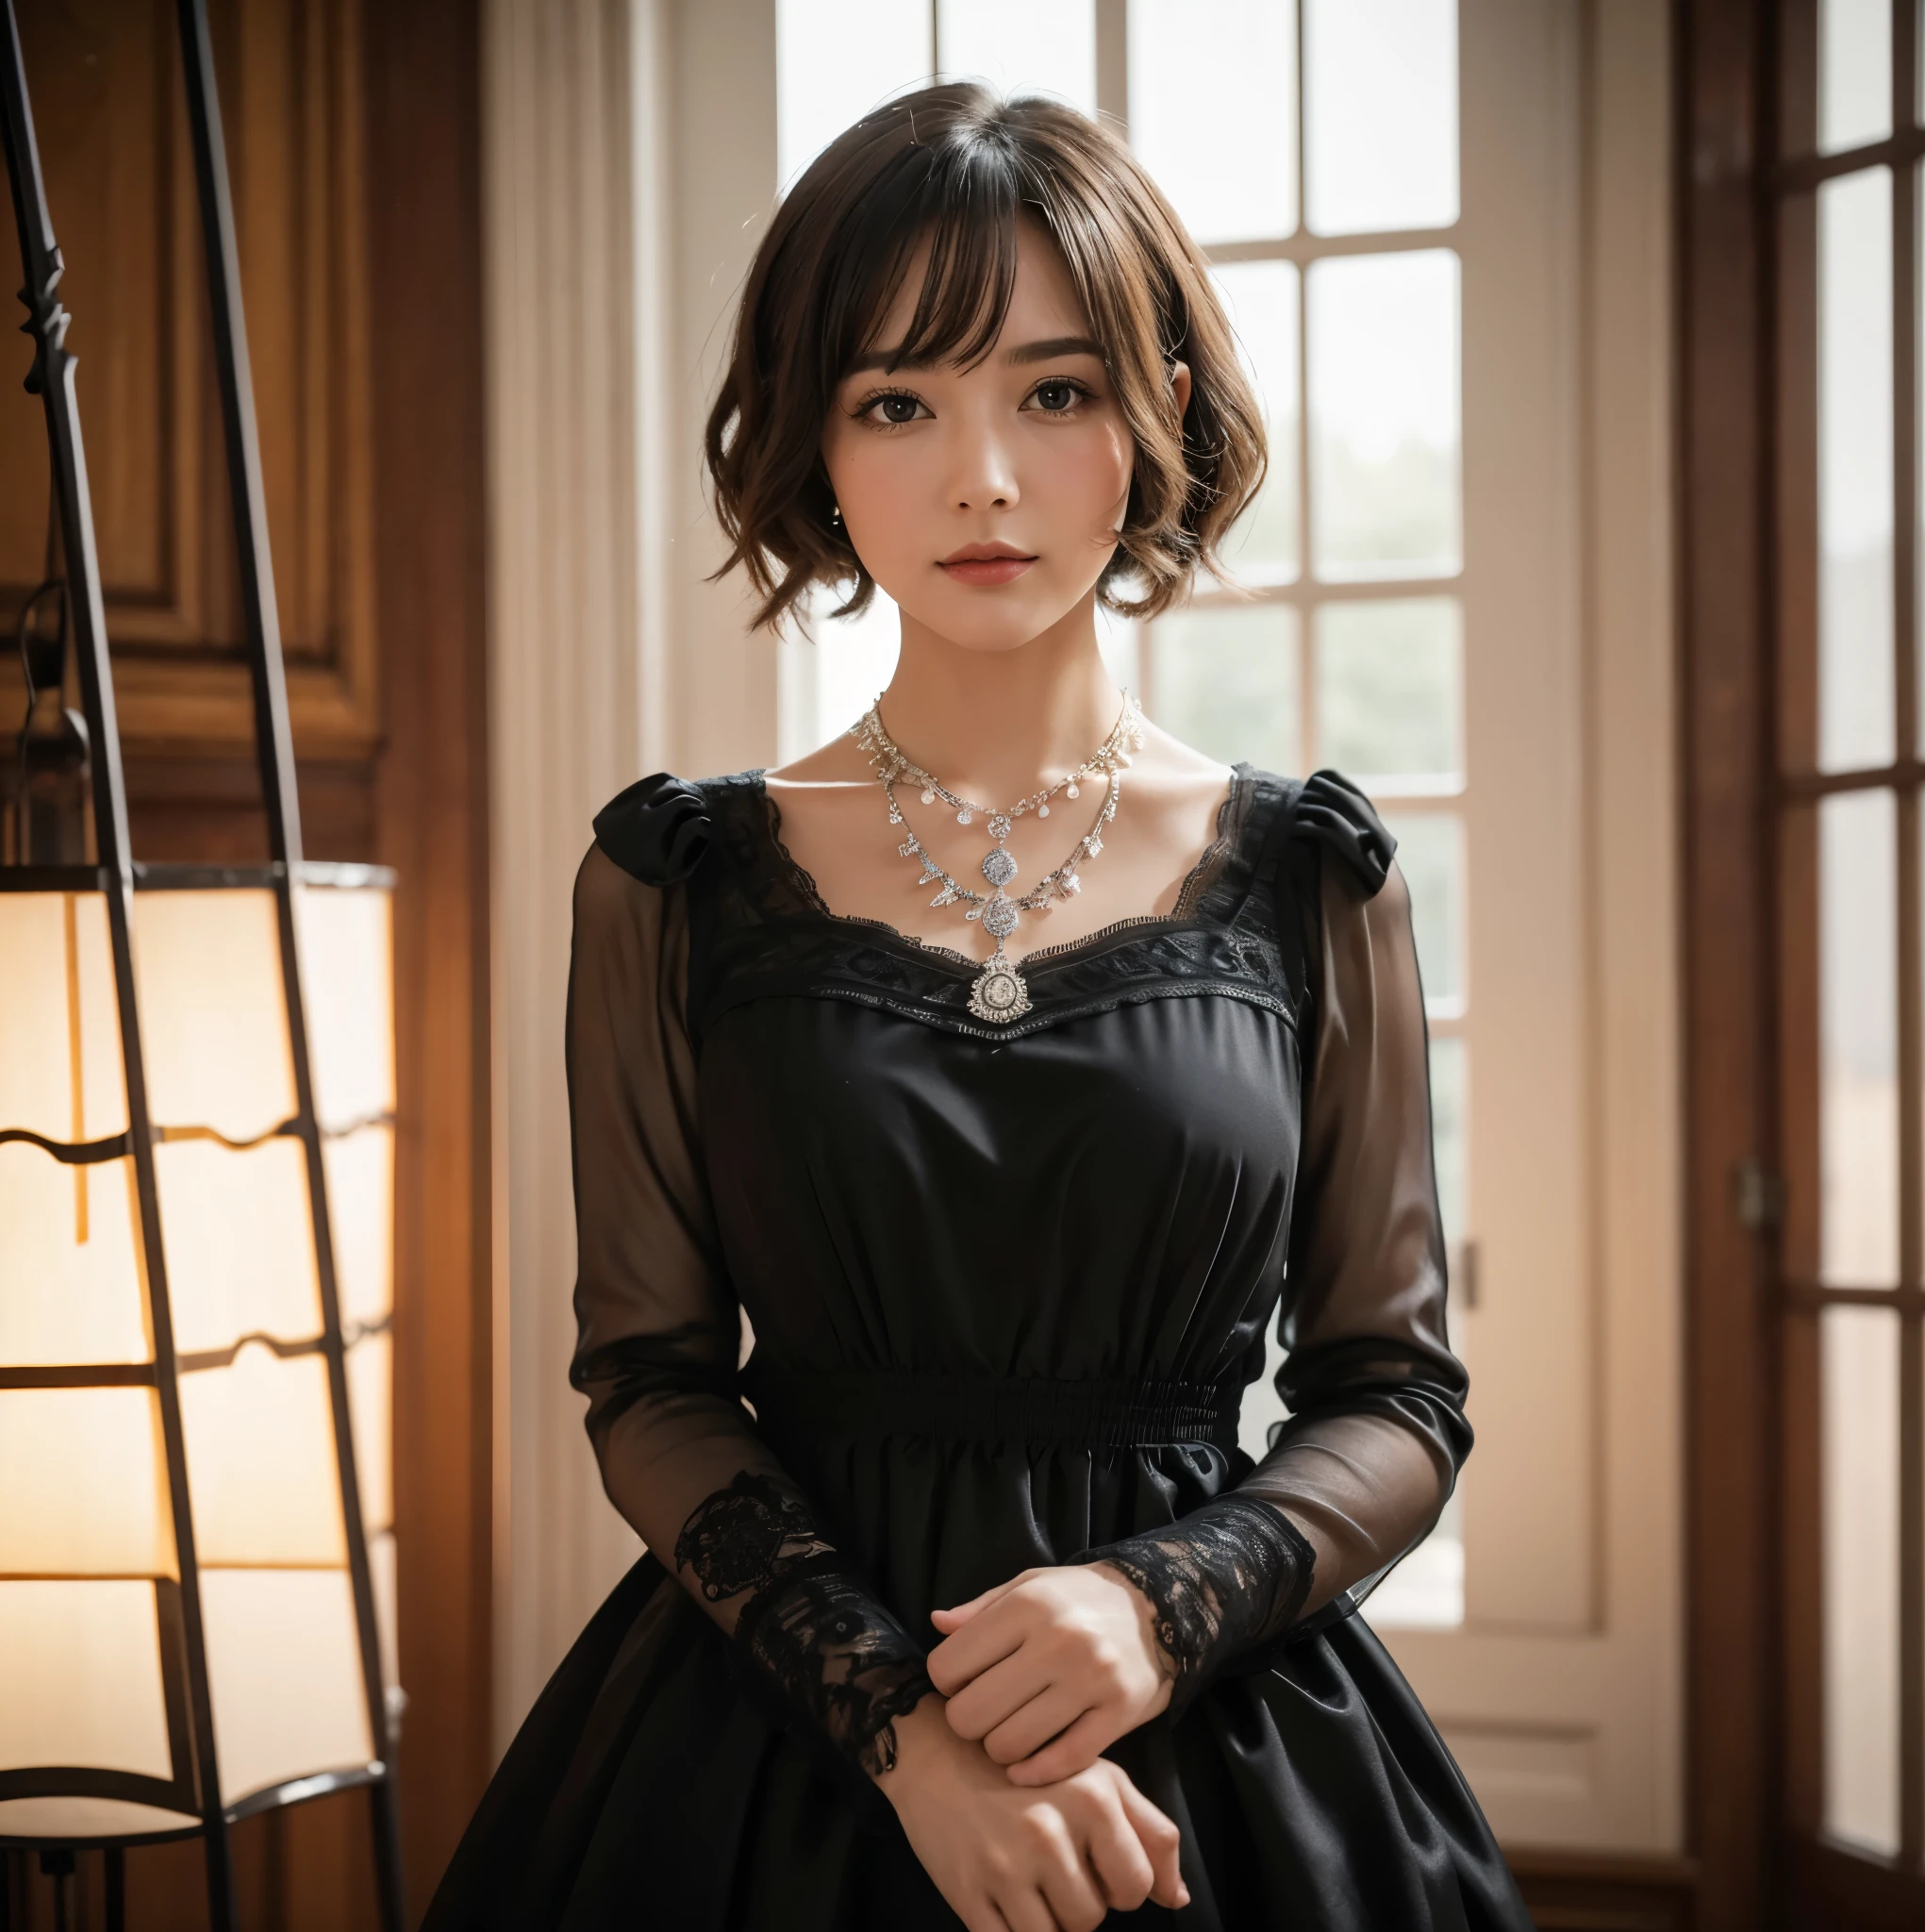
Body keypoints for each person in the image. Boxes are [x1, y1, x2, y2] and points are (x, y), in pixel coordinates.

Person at [424, 83, 1533, 1932]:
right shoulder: (669, 882)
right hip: (770, 1755)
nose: (983, 479)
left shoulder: (1314, 876)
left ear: (1159, 407)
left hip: (1229, 1742)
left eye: (1052, 389)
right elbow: (653, 1382)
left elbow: (1393, 1393)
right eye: (896, 403)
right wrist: (912, 1740)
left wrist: (1151, 1606)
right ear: (816, 446)